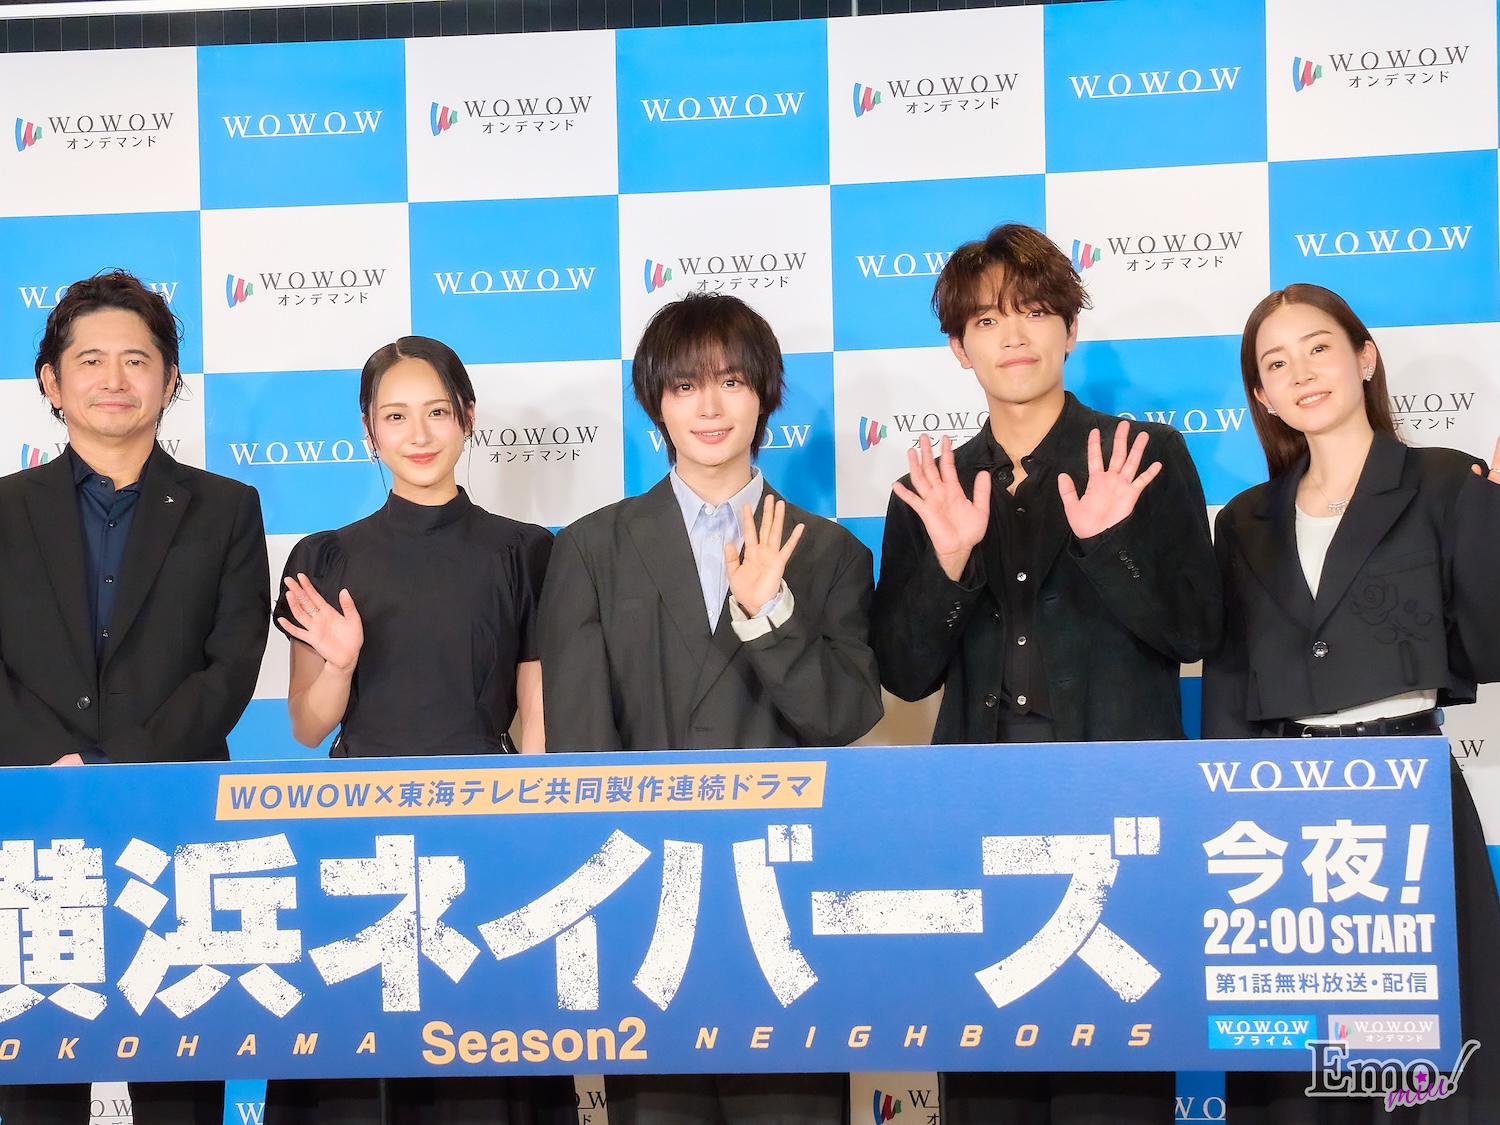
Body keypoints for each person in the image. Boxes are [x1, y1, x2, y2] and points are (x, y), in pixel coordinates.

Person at [869, 223, 1222, 1123]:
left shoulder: (1144, 456)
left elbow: (1195, 631)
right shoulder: (933, 486)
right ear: (959, 348)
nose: (1013, 335)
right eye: (987, 321)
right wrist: (950, 563)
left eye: (1032, 311)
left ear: (1069, 328)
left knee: (1117, 1082)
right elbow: (906, 674)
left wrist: (1108, 544)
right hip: (978, 816)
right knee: (988, 1077)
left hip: (1118, 811)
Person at [539, 292, 882, 1124]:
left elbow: (845, 714)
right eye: (686, 385)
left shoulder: (830, 551)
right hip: (648, 907)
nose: (710, 405)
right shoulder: (590, 547)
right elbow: (581, 745)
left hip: (783, 903)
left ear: (764, 394)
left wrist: (770, 615)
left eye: (731, 380)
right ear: (656, 402)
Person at [1203, 283, 1500, 1123]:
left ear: (1364, 358)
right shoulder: (1244, 520)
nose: (1301, 373)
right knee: (1300, 1064)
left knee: (1417, 1063)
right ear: (1262, 395)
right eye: (1276, 363)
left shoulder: (1446, 482)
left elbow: (1489, 648)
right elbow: (1229, 684)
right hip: (1279, 812)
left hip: (1408, 791)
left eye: (1319, 348)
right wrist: (1226, 827)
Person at [260, 336, 572, 1124]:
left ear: (468, 416)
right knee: (360, 1069)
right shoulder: (324, 556)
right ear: (369, 431)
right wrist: (339, 662)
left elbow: (537, 717)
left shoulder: (526, 551)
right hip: (357, 838)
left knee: (481, 1066)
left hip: (485, 835)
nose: (419, 433)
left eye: (436, 411)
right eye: (395, 416)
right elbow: (306, 724)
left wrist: (536, 837)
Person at [0, 270, 270, 1124]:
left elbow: (231, 665)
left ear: (170, 379)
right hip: (30, 819)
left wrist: (119, 767)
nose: (113, 379)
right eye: (90, 360)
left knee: (178, 1074)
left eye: (136, 359)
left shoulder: (228, 509)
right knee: (36, 1073)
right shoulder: (4, 509)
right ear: (51, 381)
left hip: (176, 819)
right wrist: (50, 766)